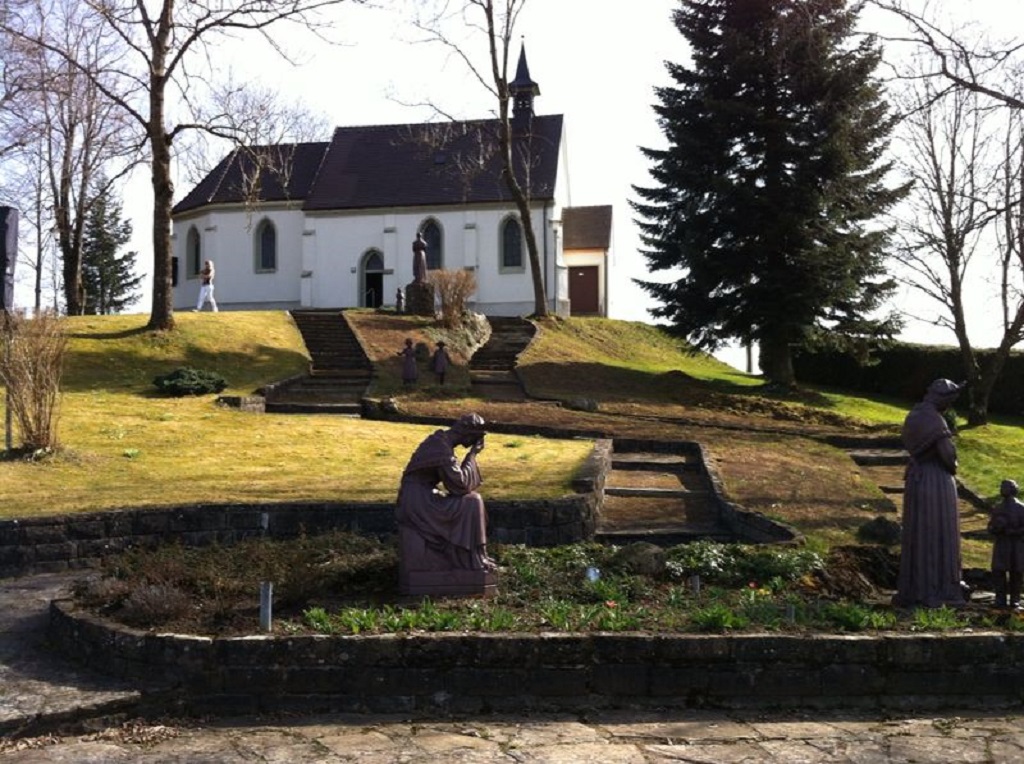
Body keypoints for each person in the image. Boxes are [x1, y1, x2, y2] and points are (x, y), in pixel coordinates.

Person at [893, 378, 966, 608]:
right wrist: (954, 462)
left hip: (917, 479)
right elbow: (948, 458)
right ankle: (936, 588)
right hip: (936, 482)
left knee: (919, 532)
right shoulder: (936, 421)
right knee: (937, 532)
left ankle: (913, 587)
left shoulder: (915, 415)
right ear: (944, 399)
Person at [396, 413, 496, 572]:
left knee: (472, 501)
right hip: (418, 502)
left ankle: (475, 557)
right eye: (475, 438)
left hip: (421, 496)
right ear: (467, 434)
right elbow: (459, 485)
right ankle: (470, 559)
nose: (475, 442)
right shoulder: (441, 449)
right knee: (472, 502)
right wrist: (472, 455)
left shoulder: (440, 440)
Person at [989, 479, 1024, 609]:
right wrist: (995, 528)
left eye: (1005, 487)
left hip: (1016, 546)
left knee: (1016, 573)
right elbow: (990, 527)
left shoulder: (1021, 508)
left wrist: (1013, 531)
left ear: (1013, 490)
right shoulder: (998, 508)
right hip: (1002, 545)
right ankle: (1000, 599)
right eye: (1001, 486)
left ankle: (1015, 600)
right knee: (998, 572)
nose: (1002, 489)